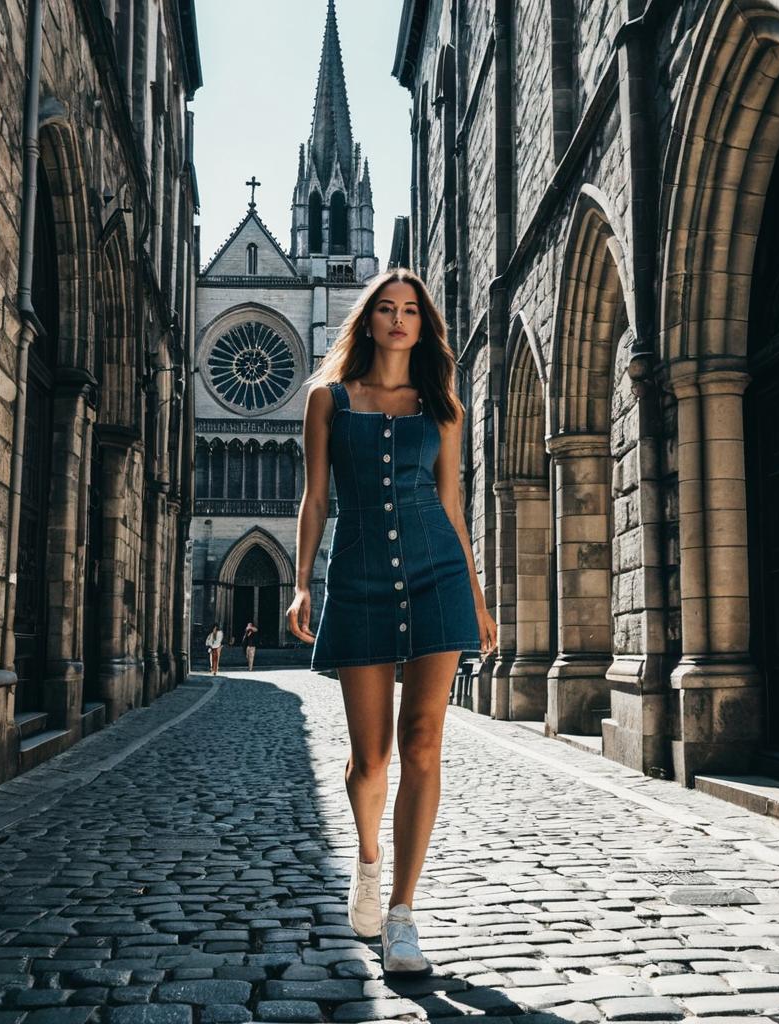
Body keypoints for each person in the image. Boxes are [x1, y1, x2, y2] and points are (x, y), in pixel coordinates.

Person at [285, 268, 498, 976]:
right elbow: (316, 497)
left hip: (437, 575)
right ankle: (369, 864)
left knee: (425, 745)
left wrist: (476, 591)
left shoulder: (443, 406)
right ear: (368, 320)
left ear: (421, 323)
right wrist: (300, 581)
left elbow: (454, 506)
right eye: (387, 309)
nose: (400, 320)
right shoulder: (327, 399)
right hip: (360, 578)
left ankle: (403, 915)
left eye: (411, 310)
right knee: (369, 759)